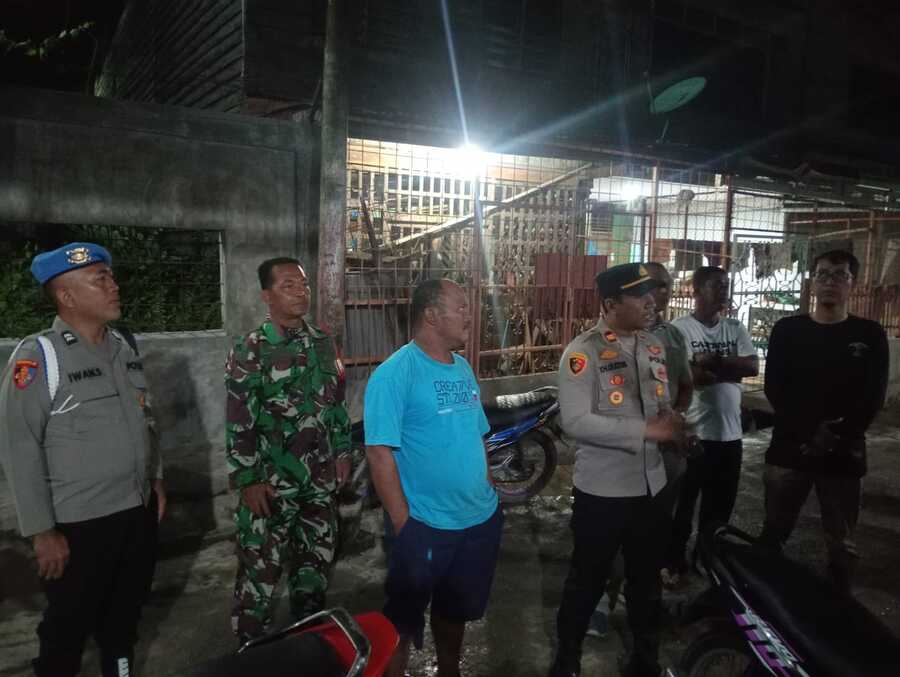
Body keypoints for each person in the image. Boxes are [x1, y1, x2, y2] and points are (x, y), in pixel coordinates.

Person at [0, 242, 166, 677]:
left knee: (124, 621)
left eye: (110, 276)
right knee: (66, 629)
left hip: (136, 513)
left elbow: (146, 419)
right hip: (79, 525)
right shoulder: (39, 356)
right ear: (67, 296)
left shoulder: (123, 346)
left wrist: (156, 479)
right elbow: (19, 445)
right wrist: (42, 531)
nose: (114, 286)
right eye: (101, 279)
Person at [549, 263, 684, 677]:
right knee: (586, 582)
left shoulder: (653, 345)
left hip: (651, 487)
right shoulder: (583, 352)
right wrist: (646, 430)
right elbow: (575, 422)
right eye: (640, 295)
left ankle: (645, 660)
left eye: (653, 293)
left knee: (646, 583)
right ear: (610, 303)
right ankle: (566, 663)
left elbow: (661, 406)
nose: (652, 302)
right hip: (603, 493)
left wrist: (674, 428)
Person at [364, 278, 502, 677]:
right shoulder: (395, 374)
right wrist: (403, 524)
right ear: (431, 315)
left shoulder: (463, 368)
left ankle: (449, 670)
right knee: (403, 617)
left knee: (454, 609)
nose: (469, 316)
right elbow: (378, 452)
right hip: (425, 524)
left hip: (478, 520)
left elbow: (477, 433)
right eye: (460, 308)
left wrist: (487, 485)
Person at [225, 257, 351, 644]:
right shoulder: (252, 348)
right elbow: (239, 420)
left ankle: (308, 642)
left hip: (319, 483)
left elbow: (336, 404)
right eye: (288, 285)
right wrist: (248, 479)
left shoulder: (323, 343)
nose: (300, 292)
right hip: (271, 486)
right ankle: (249, 651)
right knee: (259, 576)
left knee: (314, 570)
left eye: (304, 284)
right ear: (267, 296)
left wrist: (343, 451)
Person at [759, 250, 887, 591]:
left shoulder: (870, 334)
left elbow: (873, 396)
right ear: (812, 282)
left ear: (853, 284)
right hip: (790, 449)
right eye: (823, 274)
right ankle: (763, 599)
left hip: (844, 452)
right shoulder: (788, 330)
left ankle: (838, 603)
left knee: (841, 542)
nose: (830, 282)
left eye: (840, 275)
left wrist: (837, 435)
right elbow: (775, 387)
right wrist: (809, 433)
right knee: (773, 530)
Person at [585, 261, 694, 636]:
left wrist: (674, 420)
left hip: (663, 453)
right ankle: (602, 601)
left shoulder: (672, 336)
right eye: (649, 288)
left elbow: (685, 385)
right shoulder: (603, 342)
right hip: (623, 454)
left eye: (663, 286)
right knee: (614, 534)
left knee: (651, 533)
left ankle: (644, 602)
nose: (657, 294)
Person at [666, 266, 758, 578]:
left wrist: (714, 363)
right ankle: (673, 562)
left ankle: (707, 561)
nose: (723, 290)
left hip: (730, 436)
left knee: (719, 509)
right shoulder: (680, 329)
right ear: (696, 291)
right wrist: (729, 370)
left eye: (725, 285)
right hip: (694, 434)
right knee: (683, 506)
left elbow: (752, 367)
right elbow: (691, 377)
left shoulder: (734, 327)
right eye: (716, 285)